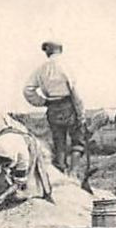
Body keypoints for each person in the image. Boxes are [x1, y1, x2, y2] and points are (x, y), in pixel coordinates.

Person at [23, 41, 85, 174]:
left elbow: (27, 90)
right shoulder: (66, 65)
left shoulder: (41, 69)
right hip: (68, 105)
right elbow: (74, 90)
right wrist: (81, 113)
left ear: (47, 52)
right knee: (77, 140)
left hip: (52, 108)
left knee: (59, 142)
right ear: (60, 50)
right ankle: (73, 173)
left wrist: (43, 102)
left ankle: (62, 172)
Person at [0, 122, 54, 225]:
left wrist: (3, 196)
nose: (3, 165)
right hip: (3, 136)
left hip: (26, 142)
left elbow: (19, 181)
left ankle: (47, 193)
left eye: (7, 163)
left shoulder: (23, 155)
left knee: (26, 189)